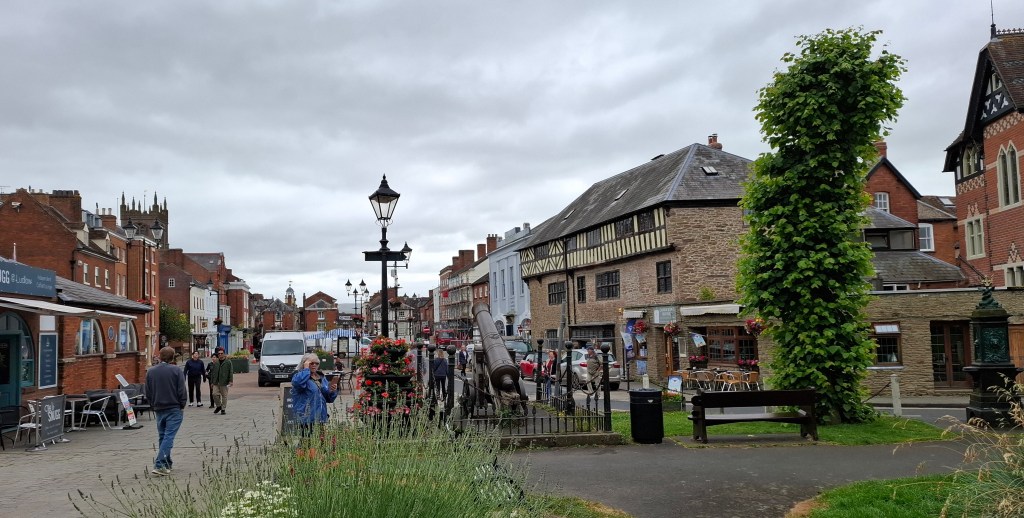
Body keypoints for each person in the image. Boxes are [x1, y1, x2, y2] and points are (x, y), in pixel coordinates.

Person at [146, 346, 187, 476]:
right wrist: (182, 404)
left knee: (163, 436)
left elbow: (148, 391)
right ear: (173, 357)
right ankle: (159, 464)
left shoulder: (151, 371)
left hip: (158, 408)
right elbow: (181, 390)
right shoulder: (176, 370)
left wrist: (152, 404)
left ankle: (166, 463)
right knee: (169, 436)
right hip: (173, 407)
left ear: (160, 355)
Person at [290, 353, 339, 438]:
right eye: (311, 363)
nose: (314, 365)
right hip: (306, 418)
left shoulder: (320, 377)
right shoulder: (299, 376)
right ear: (304, 364)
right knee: (306, 444)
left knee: (318, 444)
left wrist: (332, 391)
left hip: (319, 417)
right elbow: (298, 383)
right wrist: (306, 370)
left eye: (316, 363)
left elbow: (328, 398)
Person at [208, 348, 233, 414]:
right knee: (214, 394)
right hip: (216, 381)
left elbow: (230, 371)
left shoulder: (228, 362)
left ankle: (223, 409)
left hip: (224, 381)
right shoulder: (216, 362)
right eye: (219, 353)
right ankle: (219, 406)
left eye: (221, 353)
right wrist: (212, 382)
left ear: (224, 354)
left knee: (224, 396)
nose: (220, 355)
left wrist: (231, 381)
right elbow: (213, 372)